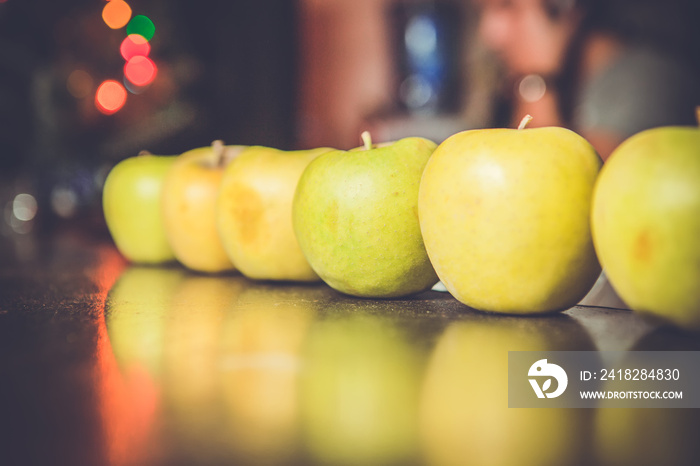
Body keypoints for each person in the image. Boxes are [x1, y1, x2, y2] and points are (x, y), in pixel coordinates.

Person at [474, 0, 700, 160]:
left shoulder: (652, 80)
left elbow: (551, 187)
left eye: (506, 5)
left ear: (562, 8)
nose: (490, 33)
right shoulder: (523, 80)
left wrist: (538, 80)